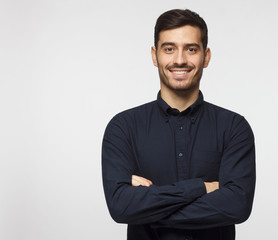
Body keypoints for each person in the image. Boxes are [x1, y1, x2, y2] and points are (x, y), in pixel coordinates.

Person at [102, 9, 256, 240]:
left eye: (191, 49)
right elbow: (121, 207)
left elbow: (236, 206)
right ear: (155, 56)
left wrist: (147, 203)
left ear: (206, 56)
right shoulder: (123, 127)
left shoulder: (234, 127)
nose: (180, 59)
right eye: (169, 49)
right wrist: (202, 188)